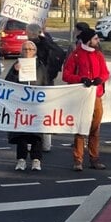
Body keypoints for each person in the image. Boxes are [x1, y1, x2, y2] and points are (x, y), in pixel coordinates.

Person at [62, 27, 110, 171]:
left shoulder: (98, 55)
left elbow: (105, 73)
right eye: (95, 38)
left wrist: (100, 79)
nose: (98, 41)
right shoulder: (76, 55)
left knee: (95, 129)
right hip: (81, 96)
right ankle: (78, 160)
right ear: (88, 40)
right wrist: (80, 79)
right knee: (81, 128)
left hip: (96, 96)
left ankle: (94, 158)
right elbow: (66, 75)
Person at [5, 40, 49, 171]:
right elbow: (8, 84)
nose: (27, 52)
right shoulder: (16, 65)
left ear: (35, 51)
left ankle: (36, 160)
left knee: (36, 133)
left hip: (36, 104)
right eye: (25, 49)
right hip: (21, 105)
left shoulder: (40, 66)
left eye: (30, 49)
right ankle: (21, 159)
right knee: (21, 134)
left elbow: (46, 84)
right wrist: (14, 71)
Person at [27, 22, 66, 153]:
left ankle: (30, 142)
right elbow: (59, 53)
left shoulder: (34, 45)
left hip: (35, 82)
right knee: (45, 113)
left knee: (31, 113)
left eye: (27, 32)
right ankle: (46, 144)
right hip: (47, 81)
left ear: (31, 33)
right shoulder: (48, 43)